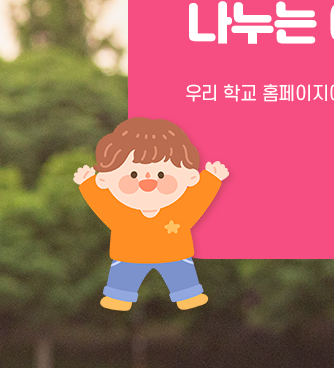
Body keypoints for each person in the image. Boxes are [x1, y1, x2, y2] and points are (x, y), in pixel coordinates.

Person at [73, 118, 229, 311]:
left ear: (189, 177)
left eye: (161, 174)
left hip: (171, 253)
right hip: (131, 254)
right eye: (133, 175)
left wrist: (211, 179)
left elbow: (198, 200)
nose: (148, 182)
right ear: (106, 179)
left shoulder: (179, 210)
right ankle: (119, 295)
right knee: (124, 277)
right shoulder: (121, 213)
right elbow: (102, 204)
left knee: (180, 273)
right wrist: (89, 184)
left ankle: (186, 293)